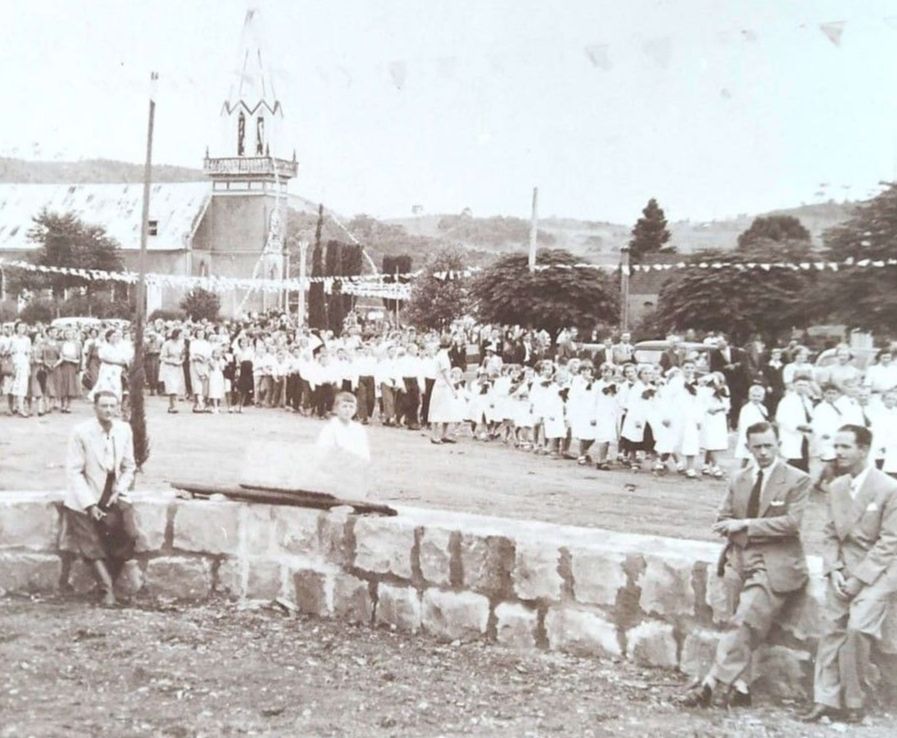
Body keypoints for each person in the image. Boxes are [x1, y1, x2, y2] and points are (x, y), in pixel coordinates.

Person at [679, 421, 811, 709]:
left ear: (779, 445)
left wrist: (745, 524)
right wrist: (742, 528)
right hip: (738, 557)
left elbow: (791, 524)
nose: (763, 452)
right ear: (748, 447)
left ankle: (711, 682)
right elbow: (722, 519)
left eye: (769, 445)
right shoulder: (739, 478)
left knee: (746, 618)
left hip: (775, 562)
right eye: (757, 447)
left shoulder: (796, 479)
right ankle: (741, 686)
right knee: (736, 621)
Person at [803, 424, 897, 723]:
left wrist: (860, 579)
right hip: (843, 570)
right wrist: (833, 570)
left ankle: (854, 700)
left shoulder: (888, 488)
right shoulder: (836, 487)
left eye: (846, 447)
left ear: (864, 450)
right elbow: (829, 533)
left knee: (857, 628)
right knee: (831, 629)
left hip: (878, 572)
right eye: (837, 446)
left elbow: (890, 541)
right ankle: (824, 699)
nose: (838, 452)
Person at [60, 390, 139, 607]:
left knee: (129, 534)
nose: (108, 410)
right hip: (84, 496)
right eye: (104, 406)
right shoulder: (81, 432)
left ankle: (108, 583)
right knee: (90, 541)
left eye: (113, 406)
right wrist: (90, 504)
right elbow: (74, 471)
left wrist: (119, 489)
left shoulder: (124, 429)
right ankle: (107, 591)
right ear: (95, 407)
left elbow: (129, 466)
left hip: (112, 494)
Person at [427, 335, 459, 445]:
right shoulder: (443, 357)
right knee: (437, 410)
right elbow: (445, 375)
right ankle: (435, 436)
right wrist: (453, 388)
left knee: (447, 410)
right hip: (442, 386)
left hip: (442, 386)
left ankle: (444, 434)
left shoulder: (442, 355)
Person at [160, 329, 186, 413]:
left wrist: (181, 361)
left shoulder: (182, 344)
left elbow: (183, 355)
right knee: (172, 386)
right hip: (169, 367)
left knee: (177, 386)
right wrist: (172, 361)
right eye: (180, 334)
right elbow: (162, 357)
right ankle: (173, 405)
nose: (182, 336)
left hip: (178, 367)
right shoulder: (167, 344)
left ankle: (172, 405)